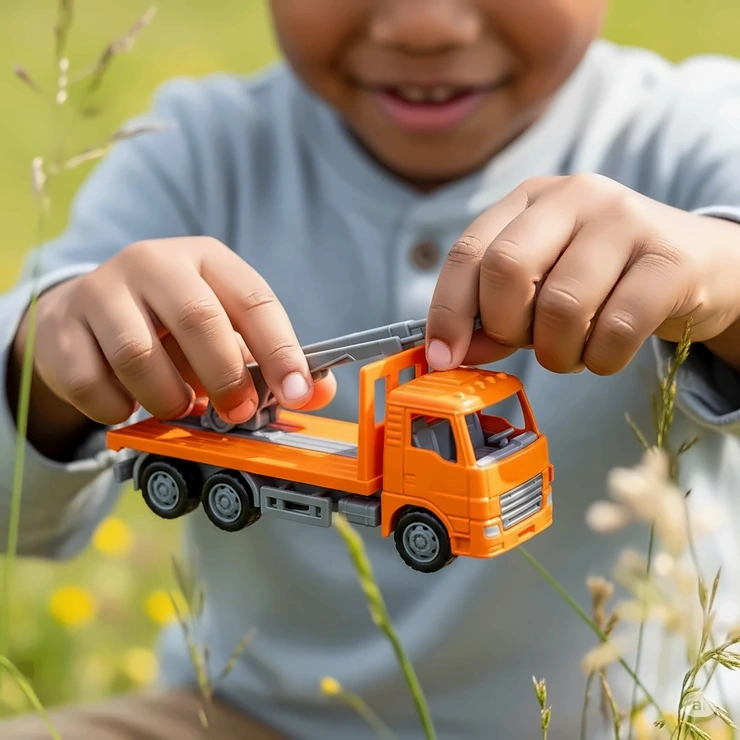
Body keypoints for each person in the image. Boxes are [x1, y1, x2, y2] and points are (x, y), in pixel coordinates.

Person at [2, 0, 740, 737]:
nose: (424, 26)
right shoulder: (194, 150)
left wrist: (721, 270)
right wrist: (52, 353)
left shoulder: (689, 126)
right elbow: (19, 506)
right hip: (238, 718)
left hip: (642, 724)